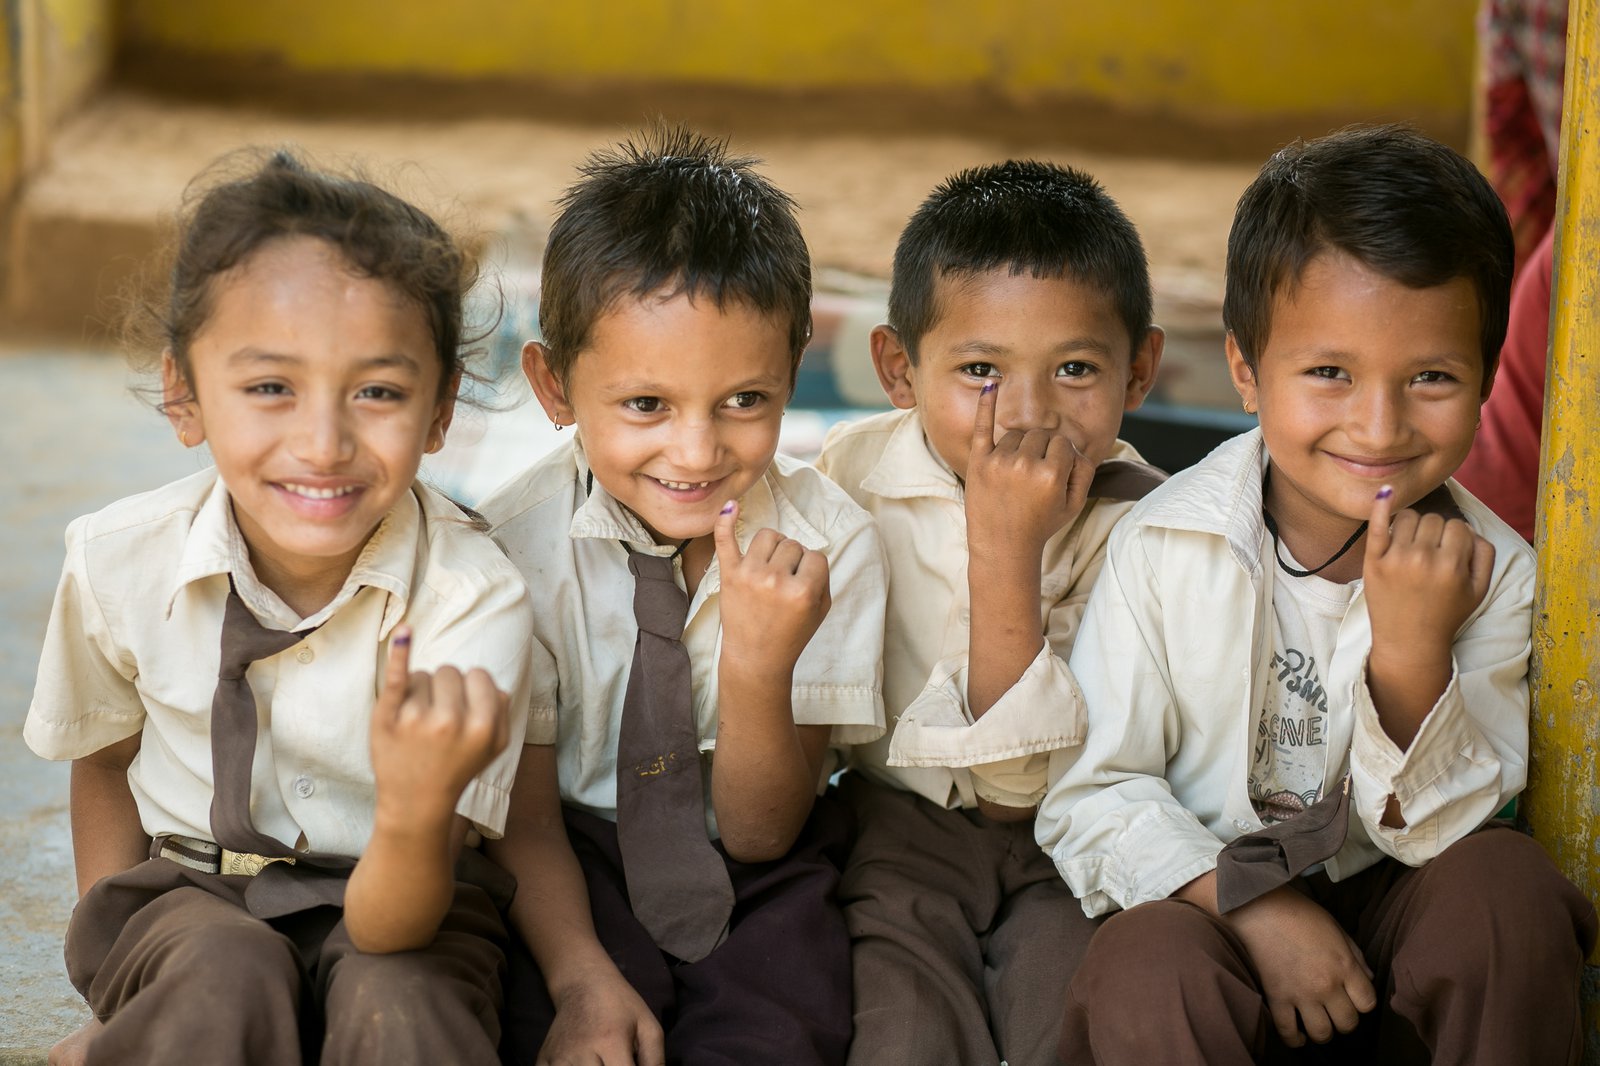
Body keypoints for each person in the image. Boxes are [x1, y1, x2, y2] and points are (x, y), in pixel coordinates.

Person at [1038, 125, 1596, 1065]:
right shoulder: (1165, 543)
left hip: (1400, 912)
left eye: (1430, 378)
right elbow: (1092, 793)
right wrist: (1254, 910)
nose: (1378, 427)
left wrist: (1413, 659)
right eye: (1329, 373)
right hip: (1217, 916)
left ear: (1490, 377)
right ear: (1247, 372)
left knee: (1505, 888)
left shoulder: (1497, 575)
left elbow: (1450, 830)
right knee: (1145, 960)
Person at [26, 150, 542, 1066]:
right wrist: (122, 986)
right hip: (189, 893)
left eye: (378, 392)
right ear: (184, 395)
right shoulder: (118, 562)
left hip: (406, 893)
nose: (323, 442)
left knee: (405, 1008)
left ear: (439, 412)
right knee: (219, 978)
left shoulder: (472, 601)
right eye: (270, 387)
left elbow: (392, 926)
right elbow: (105, 762)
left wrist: (419, 809)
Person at [479, 125, 887, 1066]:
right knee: (542, 1025)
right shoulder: (504, 554)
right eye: (646, 406)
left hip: (762, 867)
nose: (698, 453)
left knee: (785, 1034)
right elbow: (525, 820)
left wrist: (758, 660)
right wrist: (582, 977)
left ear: (795, 372)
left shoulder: (833, 546)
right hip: (563, 856)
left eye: (745, 400)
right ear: (552, 383)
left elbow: (760, 831)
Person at [812, 160, 1163, 1066]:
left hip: (1076, 838)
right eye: (979, 370)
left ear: (1143, 370)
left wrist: (1007, 550)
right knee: (905, 1028)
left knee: (1065, 1019)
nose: (1028, 415)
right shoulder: (849, 480)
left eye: (1077, 368)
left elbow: (1022, 796)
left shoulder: (1153, 529)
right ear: (898, 369)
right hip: (897, 827)